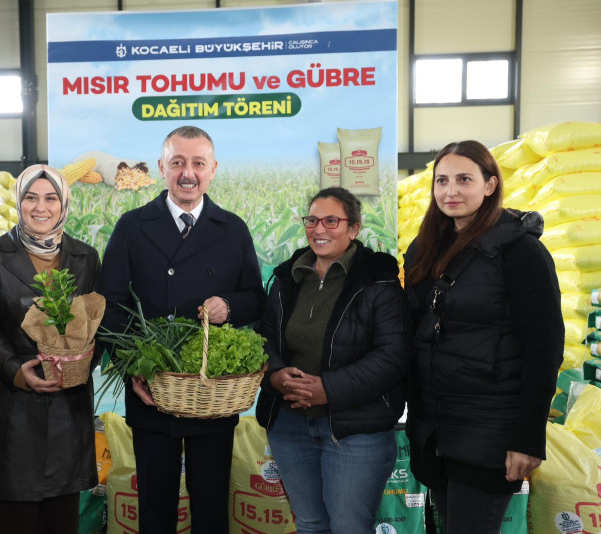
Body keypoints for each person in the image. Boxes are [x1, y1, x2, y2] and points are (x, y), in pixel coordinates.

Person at [99, 125, 264, 533]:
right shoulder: (132, 226)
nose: (187, 173)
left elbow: (255, 298)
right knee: (155, 509)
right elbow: (109, 305)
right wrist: (134, 365)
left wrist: (229, 305)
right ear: (161, 167)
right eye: (177, 163)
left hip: (211, 393)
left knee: (211, 510)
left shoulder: (233, 228)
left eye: (197, 163)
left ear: (213, 169)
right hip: (153, 388)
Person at [403, 140, 564, 534]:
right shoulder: (425, 248)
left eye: (463, 179)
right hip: (437, 428)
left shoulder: (521, 252)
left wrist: (528, 438)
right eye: (441, 181)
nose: (450, 191)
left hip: (490, 430)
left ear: (490, 185)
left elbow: (544, 348)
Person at [255, 186, 411, 534]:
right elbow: (265, 339)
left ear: (353, 228)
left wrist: (329, 389)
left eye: (331, 221)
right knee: (310, 524)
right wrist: (275, 375)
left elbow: (393, 356)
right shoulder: (285, 277)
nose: (319, 229)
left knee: (349, 528)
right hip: (291, 426)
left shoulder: (378, 280)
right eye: (312, 220)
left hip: (354, 431)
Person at [0, 164, 100, 534]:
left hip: (66, 412)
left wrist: (80, 364)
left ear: (64, 204)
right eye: (31, 197)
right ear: (19, 202)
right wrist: (15, 369)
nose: (40, 207)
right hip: (11, 413)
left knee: (59, 521)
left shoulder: (85, 257)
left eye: (51, 198)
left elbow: (97, 324)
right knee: (11, 519)